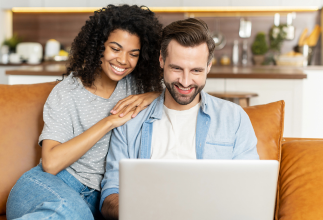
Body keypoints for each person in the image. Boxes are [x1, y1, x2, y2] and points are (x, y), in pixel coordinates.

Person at [6, 4, 163, 220]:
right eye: (115, 49)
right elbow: (51, 163)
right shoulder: (67, 92)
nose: (123, 61)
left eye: (133, 54)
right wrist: (109, 122)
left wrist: (153, 96)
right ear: (99, 46)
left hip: (99, 199)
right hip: (49, 186)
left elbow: (181, 93)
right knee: (69, 211)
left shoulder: (137, 88)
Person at [100, 18, 260, 220]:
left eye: (196, 70)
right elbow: (110, 196)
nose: (185, 82)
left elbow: (250, 190)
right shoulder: (130, 121)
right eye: (176, 68)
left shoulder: (234, 118)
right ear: (161, 61)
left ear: (209, 66)